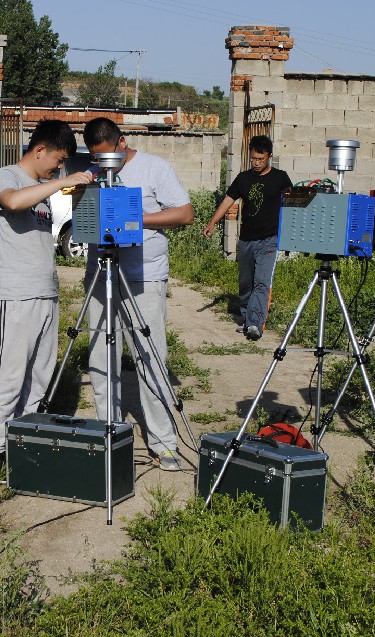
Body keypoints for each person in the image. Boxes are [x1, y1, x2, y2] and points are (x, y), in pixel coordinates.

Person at [0, 120, 94, 483]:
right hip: (14, 294)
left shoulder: (43, 188)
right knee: (9, 376)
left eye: (62, 165)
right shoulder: (7, 175)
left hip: (46, 292)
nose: (59, 168)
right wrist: (61, 183)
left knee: (39, 375)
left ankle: (22, 437)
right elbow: (12, 202)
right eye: (58, 160)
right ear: (40, 149)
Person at [83, 117, 194, 471]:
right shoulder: (91, 173)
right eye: (97, 159)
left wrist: (135, 218)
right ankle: (109, 434)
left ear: (122, 142)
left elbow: (186, 214)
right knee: (102, 358)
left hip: (144, 277)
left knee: (150, 357)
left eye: (108, 157)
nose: (104, 165)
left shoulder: (155, 168)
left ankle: (163, 443)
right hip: (101, 275)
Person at [204, 135, 293, 341]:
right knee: (245, 284)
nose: (256, 163)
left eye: (260, 159)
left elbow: (292, 201)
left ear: (269, 157)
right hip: (245, 240)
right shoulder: (243, 178)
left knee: (261, 283)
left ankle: (255, 324)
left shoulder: (280, 177)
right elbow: (228, 200)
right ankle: (246, 318)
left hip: (269, 239)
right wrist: (212, 222)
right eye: (253, 158)